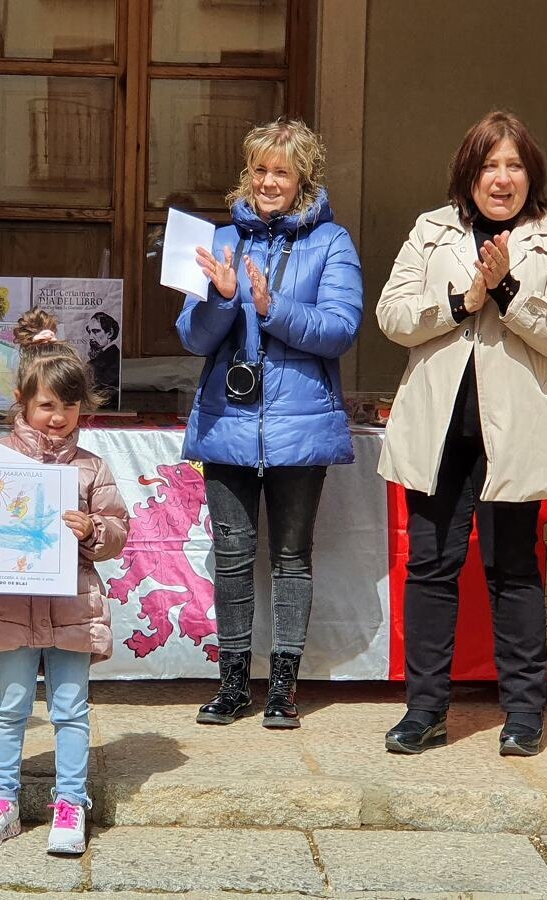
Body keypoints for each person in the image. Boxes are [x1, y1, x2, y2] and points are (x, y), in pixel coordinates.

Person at [376, 111, 547, 758]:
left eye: (514, 166)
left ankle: (524, 714)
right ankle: (425, 712)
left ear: (532, 174)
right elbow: (392, 315)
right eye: (490, 165)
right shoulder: (431, 230)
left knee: (514, 568)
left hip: (514, 432)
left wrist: (510, 290)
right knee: (432, 567)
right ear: (468, 174)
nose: (502, 179)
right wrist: (463, 301)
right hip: (441, 430)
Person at [177, 117, 363, 729]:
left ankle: (281, 688)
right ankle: (232, 685)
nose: (268, 181)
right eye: (259, 169)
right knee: (231, 554)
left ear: (303, 178)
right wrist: (224, 297)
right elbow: (193, 336)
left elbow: (340, 329)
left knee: (291, 556)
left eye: (281, 171)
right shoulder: (221, 239)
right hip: (228, 420)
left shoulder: (333, 242)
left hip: (299, 424)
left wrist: (270, 307)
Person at [0, 309, 129, 855]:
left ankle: (71, 802)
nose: (58, 417)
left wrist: (93, 529)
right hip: (6, 603)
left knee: (70, 707)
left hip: (73, 604)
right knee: (9, 705)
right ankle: (1, 800)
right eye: (47, 405)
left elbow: (118, 532)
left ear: (84, 407)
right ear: (23, 402)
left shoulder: (92, 467)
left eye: (69, 405)